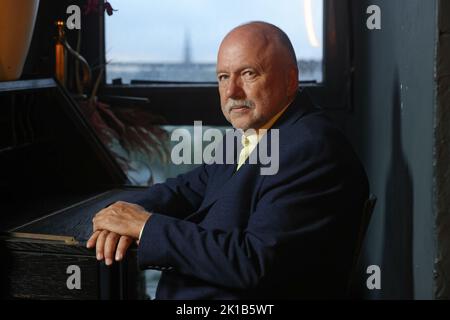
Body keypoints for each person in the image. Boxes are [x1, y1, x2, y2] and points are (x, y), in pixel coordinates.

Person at [87, 21, 369, 299]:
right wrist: (128, 211)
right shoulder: (251, 134)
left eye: (248, 73)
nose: (232, 92)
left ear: (290, 80)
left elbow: (252, 262)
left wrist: (145, 226)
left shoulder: (312, 149)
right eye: (223, 77)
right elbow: (187, 188)